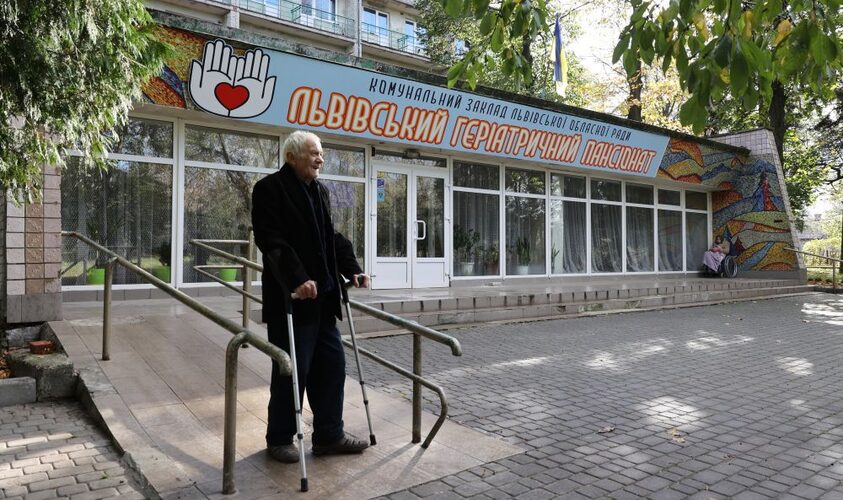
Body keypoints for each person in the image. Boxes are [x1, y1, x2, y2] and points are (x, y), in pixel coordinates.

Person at [252, 130, 370, 463]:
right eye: (314, 153)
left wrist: (352, 269)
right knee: (292, 372)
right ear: (292, 157)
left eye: (321, 153)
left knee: (332, 366)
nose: (321, 159)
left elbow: (330, 238)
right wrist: (298, 277)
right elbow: (271, 240)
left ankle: (329, 436)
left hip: (324, 301)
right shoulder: (269, 189)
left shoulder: (320, 191)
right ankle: (279, 438)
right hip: (292, 300)